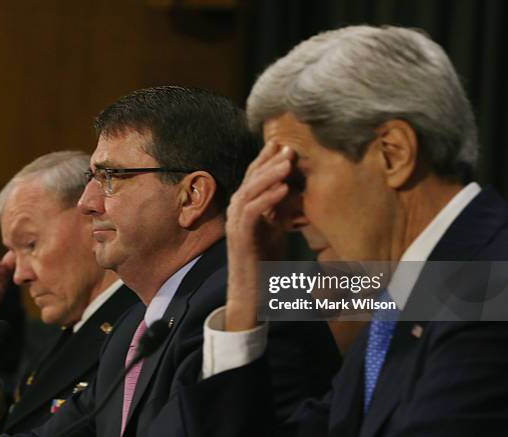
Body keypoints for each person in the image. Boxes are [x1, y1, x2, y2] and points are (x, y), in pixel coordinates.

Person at [154, 25, 508, 436]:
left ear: (393, 154)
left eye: (296, 179)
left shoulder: (490, 286)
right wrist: (249, 291)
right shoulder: (416, 293)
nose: (283, 216)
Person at [0, 85, 340, 437]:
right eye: (92, 177)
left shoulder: (250, 307)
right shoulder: (135, 327)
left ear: (191, 196)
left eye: (112, 176)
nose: (87, 202)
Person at [0, 151, 138, 435]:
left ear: (91, 217)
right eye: (13, 252)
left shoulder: (139, 328)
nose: (19, 275)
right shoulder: (70, 336)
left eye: (30, 244)